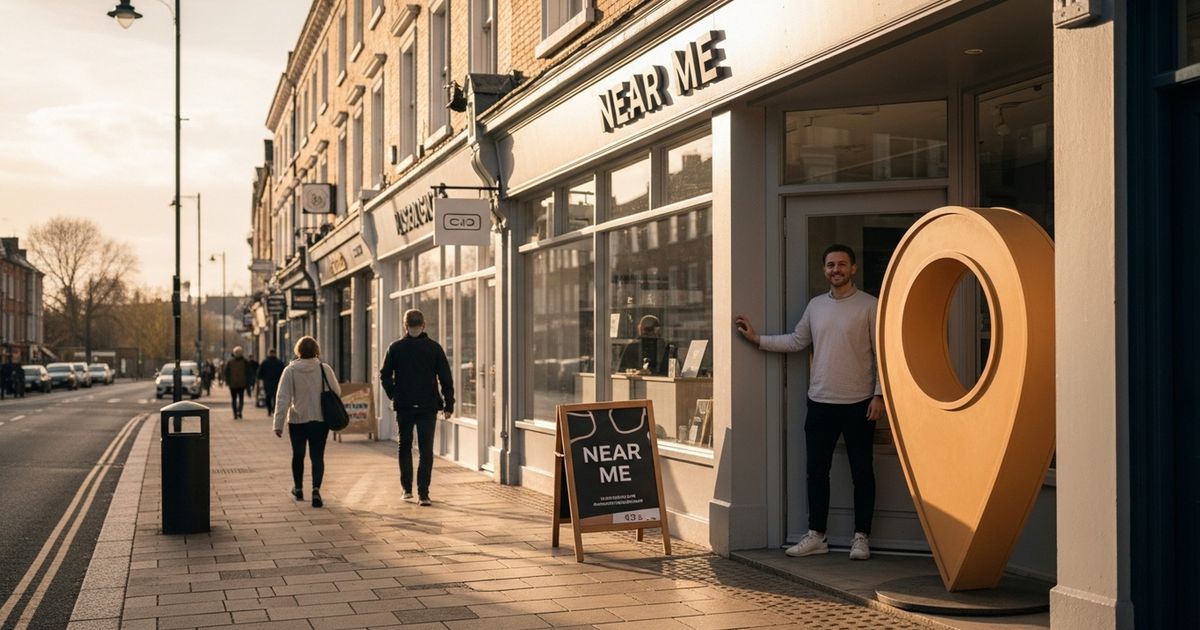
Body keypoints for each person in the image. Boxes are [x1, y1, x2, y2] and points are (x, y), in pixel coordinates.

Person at [735, 243, 884, 561]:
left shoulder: (870, 305)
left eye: (841, 264)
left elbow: (882, 354)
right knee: (816, 472)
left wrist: (879, 395)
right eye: (830, 265)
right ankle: (817, 535)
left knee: (862, 472)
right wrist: (757, 339)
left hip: (859, 404)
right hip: (821, 402)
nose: (836, 270)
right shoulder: (816, 306)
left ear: (853, 268)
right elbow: (796, 340)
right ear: (824, 269)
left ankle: (861, 537)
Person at [379, 309, 454, 506]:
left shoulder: (395, 348)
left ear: (405, 325)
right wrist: (449, 404)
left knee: (404, 445)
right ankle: (424, 494)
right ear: (424, 325)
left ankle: (406, 489)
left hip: (404, 405)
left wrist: (394, 393)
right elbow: (446, 378)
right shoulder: (434, 348)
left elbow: (384, 375)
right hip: (428, 406)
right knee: (425, 449)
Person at [272, 336, 339, 508]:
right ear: (316, 350)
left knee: (298, 455)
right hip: (320, 420)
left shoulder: (290, 370)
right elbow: (336, 391)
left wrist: (278, 424)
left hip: (297, 420)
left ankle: (299, 488)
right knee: (317, 456)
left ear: (298, 350)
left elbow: (283, 398)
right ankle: (316, 490)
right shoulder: (324, 369)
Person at [257, 348, 285, 416]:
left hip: (269, 382)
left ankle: (270, 410)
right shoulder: (278, 362)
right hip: (275, 382)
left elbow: (260, 372)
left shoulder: (265, 362)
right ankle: (272, 410)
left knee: (269, 397)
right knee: (274, 397)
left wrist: (260, 378)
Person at [223, 347, 249, 419]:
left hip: (242, 383)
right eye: (236, 352)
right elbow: (226, 372)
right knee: (234, 399)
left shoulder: (245, 362)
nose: (238, 354)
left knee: (241, 398)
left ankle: (239, 411)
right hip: (233, 384)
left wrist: (247, 382)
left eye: (239, 352)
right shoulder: (230, 362)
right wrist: (227, 381)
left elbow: (248, 373)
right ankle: (235, 413)